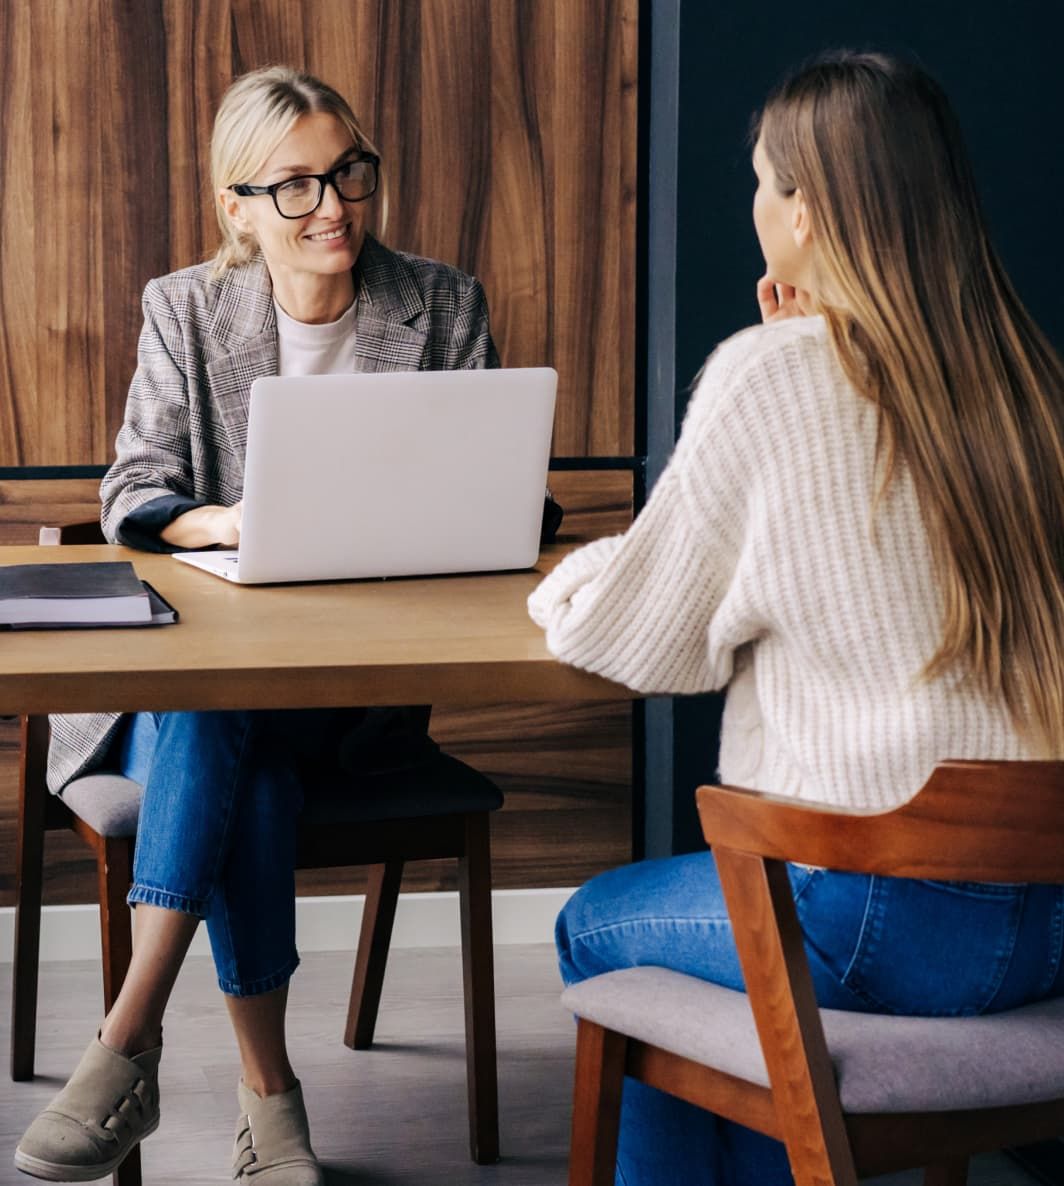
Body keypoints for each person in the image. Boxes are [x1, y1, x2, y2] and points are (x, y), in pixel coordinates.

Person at [528, 51, 1064, 1186]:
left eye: (766, 183)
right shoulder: (1028, 386)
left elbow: (637, 636)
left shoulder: (770, 378)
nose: (756, 204)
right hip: (1044, 921)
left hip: (878, 921)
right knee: (748, 981)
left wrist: (572, 575)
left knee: (594, 926)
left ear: (808, 212)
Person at [16, 66, 503, 1185]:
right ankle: (267, 1100)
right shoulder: (185, 307)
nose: (330, 204)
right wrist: (228, 520)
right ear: (235, 206)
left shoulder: (442, 303)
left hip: (357, 696)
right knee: (234, 733)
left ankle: (125, 1046)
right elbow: (131, 490)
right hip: (187, 701)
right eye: (293, 185)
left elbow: (495, 486)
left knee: (241, 737)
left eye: (346, 173)